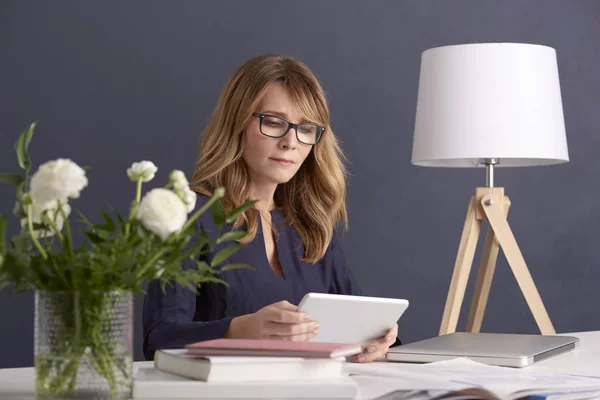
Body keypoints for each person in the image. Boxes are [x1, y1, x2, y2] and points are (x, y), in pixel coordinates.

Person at [142, 54, 400, 363]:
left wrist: (377, 341)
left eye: (306, 129)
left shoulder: (311, 227)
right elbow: (159, 339)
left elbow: (363, 322)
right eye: (274, 123)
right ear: (236, 123)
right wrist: (239, 329)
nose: (291, 142)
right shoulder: (188, 215)